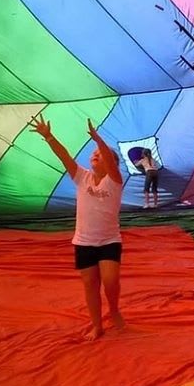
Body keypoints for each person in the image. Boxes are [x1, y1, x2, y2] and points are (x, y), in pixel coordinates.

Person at [28, 114, 124, 341]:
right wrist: (49, 137)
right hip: (84, 241)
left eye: (100, 154)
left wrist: (99, 141)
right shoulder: (82, 177)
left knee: (110, 280)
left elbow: (110, 162)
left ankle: (114, 309)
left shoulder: (115, 180)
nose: (94, 155)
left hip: (109, 240)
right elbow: (65, 158)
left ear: (111, 162)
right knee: (90, 284)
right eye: (94, 153)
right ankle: (97, 325)